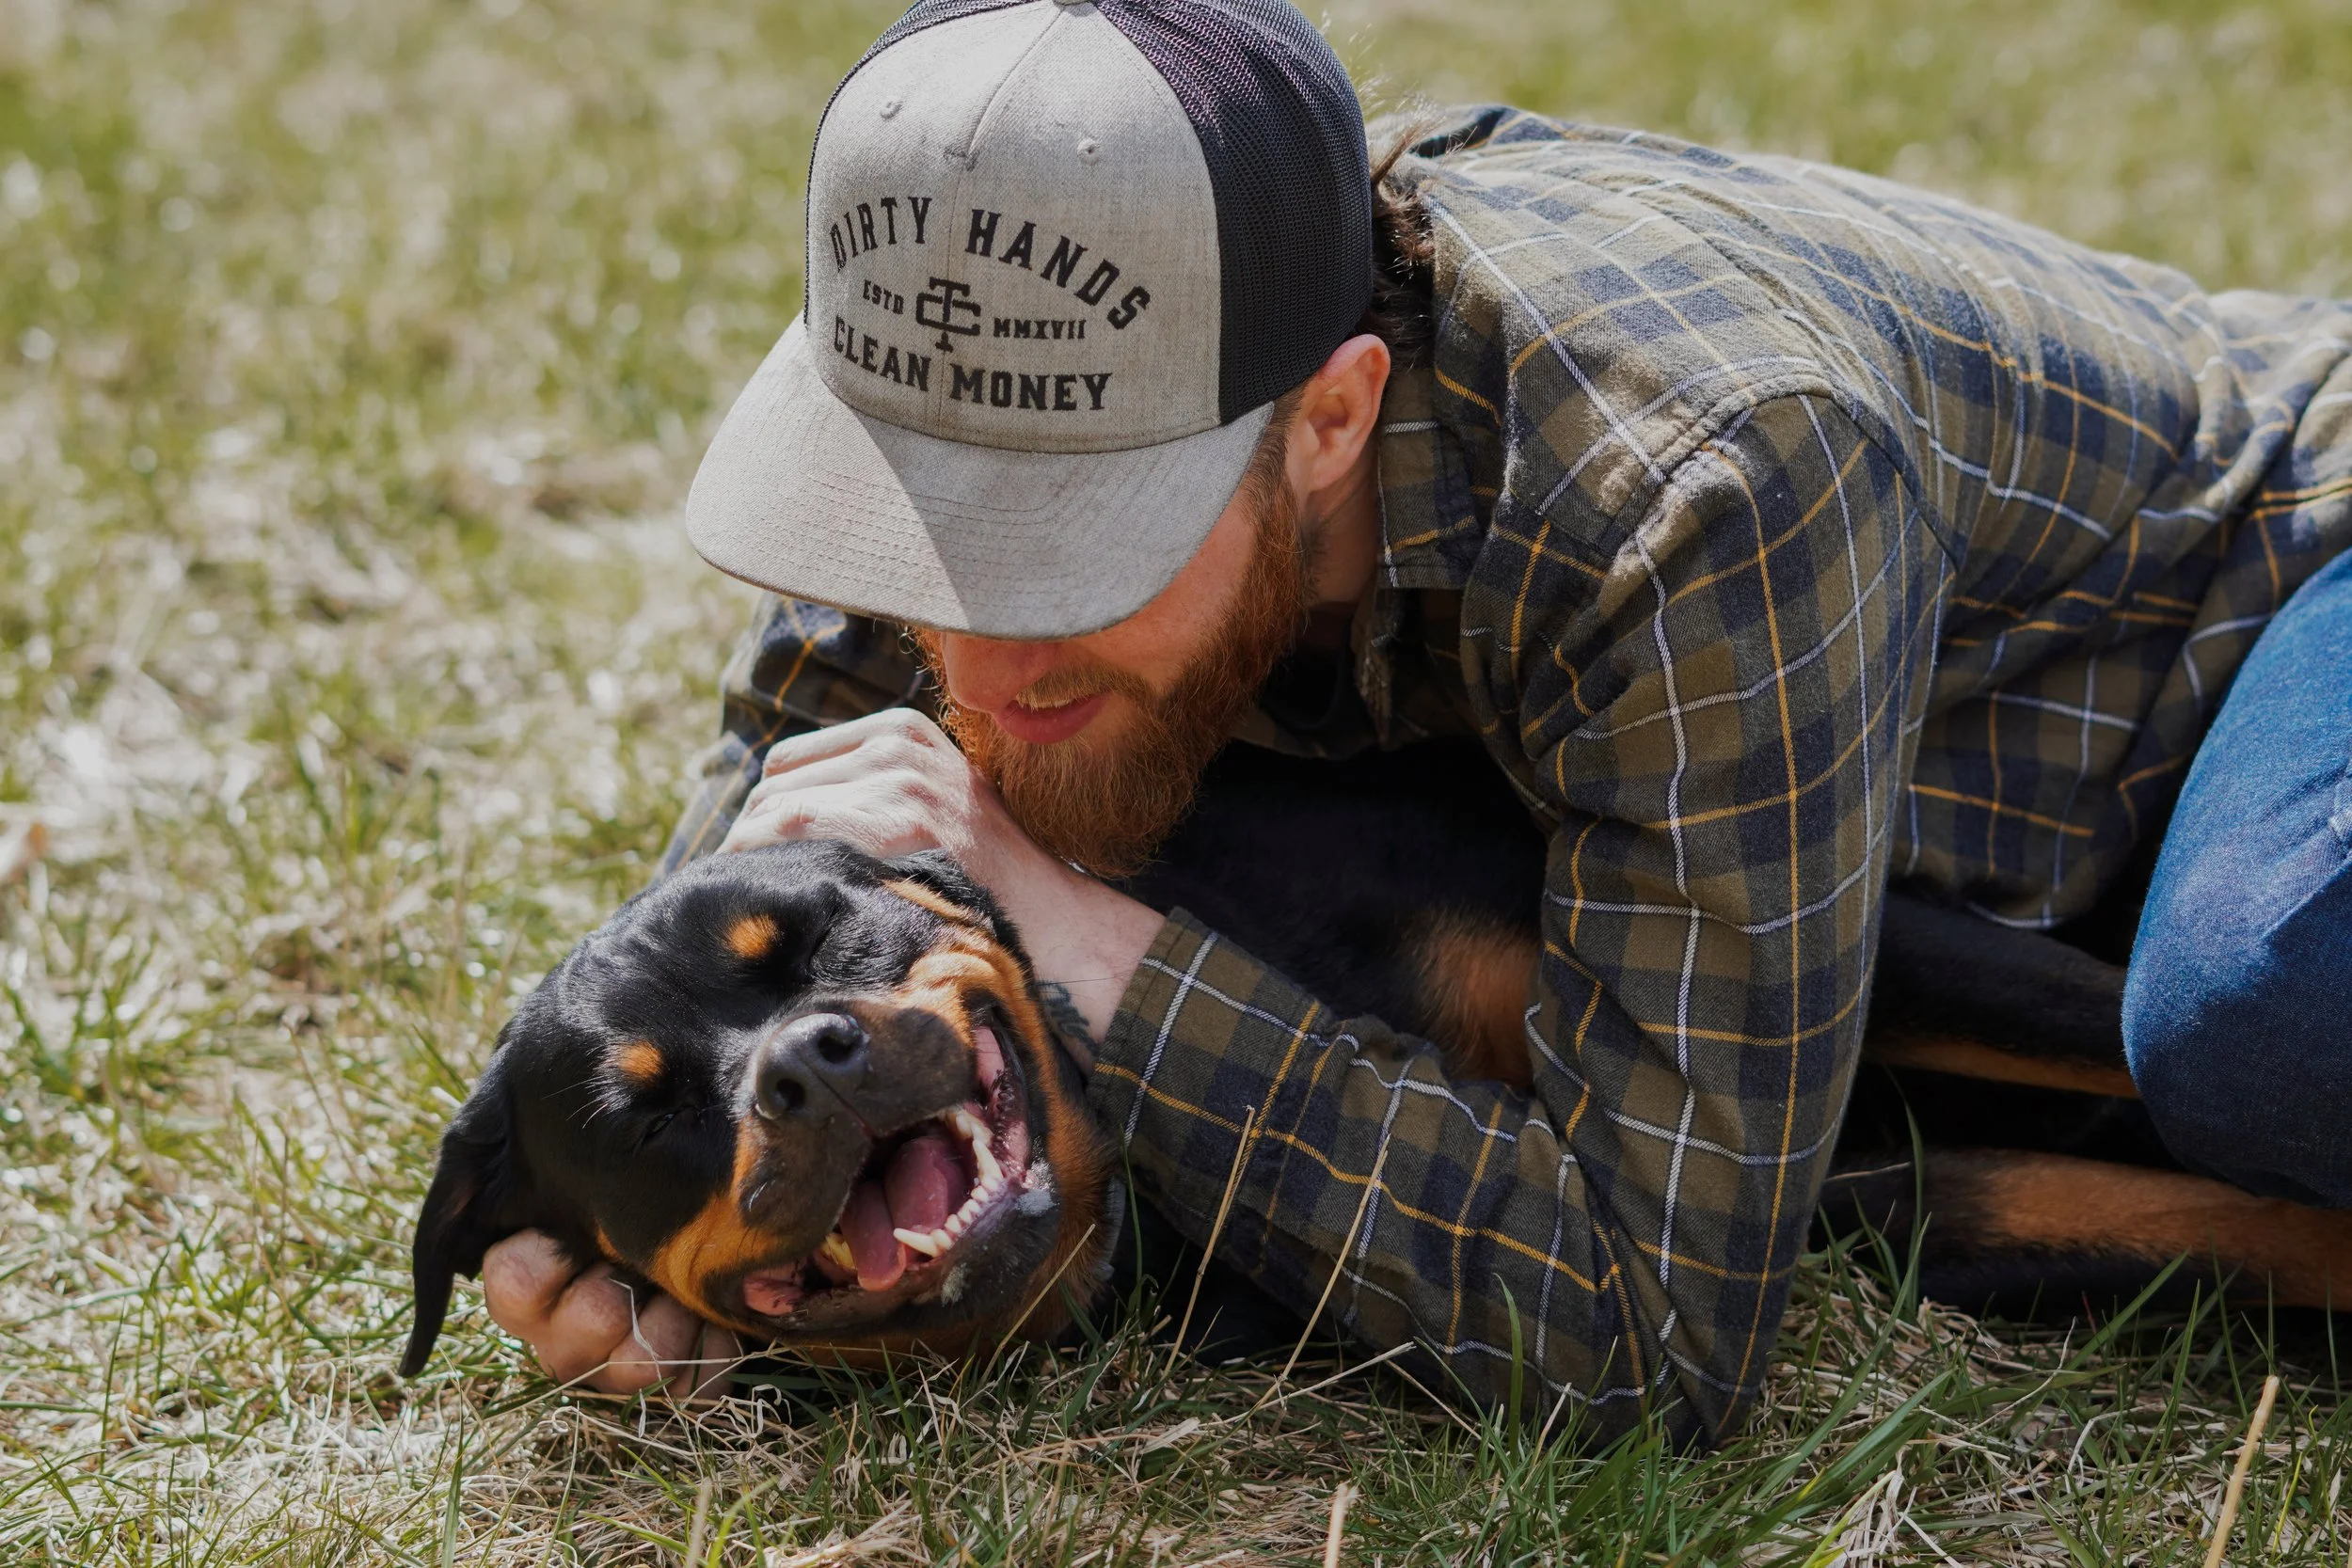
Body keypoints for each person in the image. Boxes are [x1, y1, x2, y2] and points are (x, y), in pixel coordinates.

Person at [473, 0, 2352, 1444]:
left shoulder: (1695, 483)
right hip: (2005, 839)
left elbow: (1646, 1333)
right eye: (925, 528)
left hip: (2289, 615)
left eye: (1074, 543)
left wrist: (1092, 948)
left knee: (2266, 1018)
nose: (974, 648)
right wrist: (610, 1219)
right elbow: (763, 817)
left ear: (1330, 415)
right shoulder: (1046, 364)